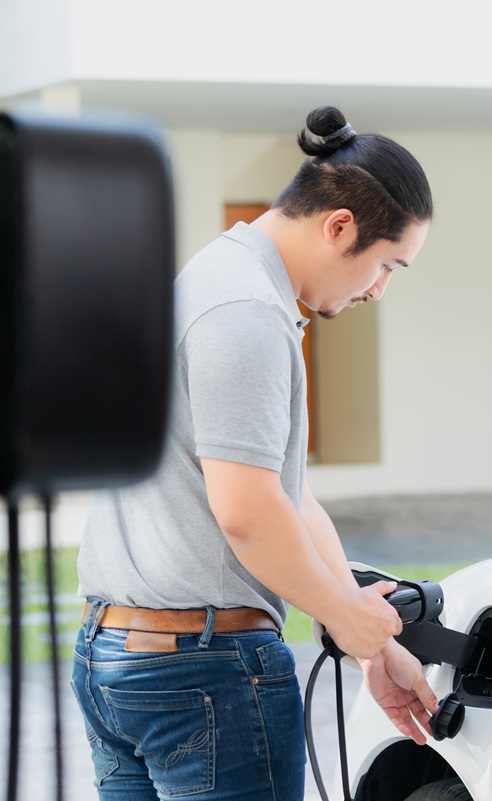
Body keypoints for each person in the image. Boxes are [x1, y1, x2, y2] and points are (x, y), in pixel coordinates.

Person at [71, 106, 438, 801]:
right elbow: (248, 513)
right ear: (340, 227)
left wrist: (367, 631)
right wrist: (344, 616)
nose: (380, 290)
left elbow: (288, 495)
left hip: (120, 657)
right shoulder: (246, 313)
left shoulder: (213, 278)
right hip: (204, 676)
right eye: (388, 264)